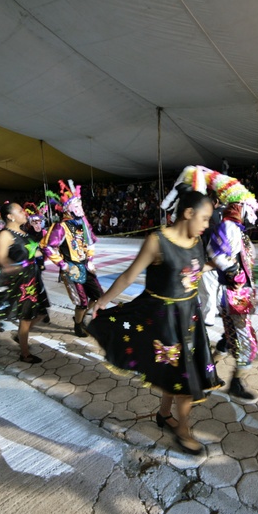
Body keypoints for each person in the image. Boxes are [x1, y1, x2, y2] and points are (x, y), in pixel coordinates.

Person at [87, 178, 222, 455]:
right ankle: (183, 432)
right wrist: (101, 301)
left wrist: (220, 263)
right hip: (163, 321)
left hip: (190, 319)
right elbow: (128, 277)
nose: (207, 224)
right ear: (188, 213)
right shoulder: (157, 241)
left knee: (176, 373)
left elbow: (192, 271)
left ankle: (164, 415)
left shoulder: (197, 240)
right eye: (205, 218)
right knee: (185, 381)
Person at [206, 171, 258, 403]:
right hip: (233, 294)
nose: (253, 215)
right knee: (247, 341)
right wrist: (232, 272)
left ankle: (206, 368)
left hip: (239, 294)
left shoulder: (238, 231)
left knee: (230, 338)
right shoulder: (229, 228)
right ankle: (236, 383)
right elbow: (216, 254)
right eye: (249, 209)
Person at [42, 180, 104, 337]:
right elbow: (48, 247)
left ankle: (81, 317)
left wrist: (90, 260)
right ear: (67, 209)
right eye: (76, 206)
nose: (80, 208)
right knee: (82, 302)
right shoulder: (60, 227)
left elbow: (90, 242)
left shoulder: (83, 223)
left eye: (80, 205)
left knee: (98, 296)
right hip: (72, 268)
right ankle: (78, 324)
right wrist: (63, 265)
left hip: (85, 265)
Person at [0, 203, 50, 363]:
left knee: (41, 313)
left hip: (33, 277)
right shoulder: (6, 234)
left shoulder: (23, 232)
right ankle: (24, 354)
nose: (24, 213)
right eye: (19, 211)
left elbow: (34, 251)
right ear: (10, 216)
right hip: (22, 281)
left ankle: (20, 336)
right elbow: (0, 257)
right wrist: (15, 268)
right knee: (26, 317)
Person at [198, 192, 224, 327]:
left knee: (207, 290)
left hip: (209, 258)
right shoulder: (226, 215)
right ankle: (220, 310)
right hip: (224, 260)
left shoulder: (210, 217)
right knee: (219, 288)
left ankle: (208, 317)